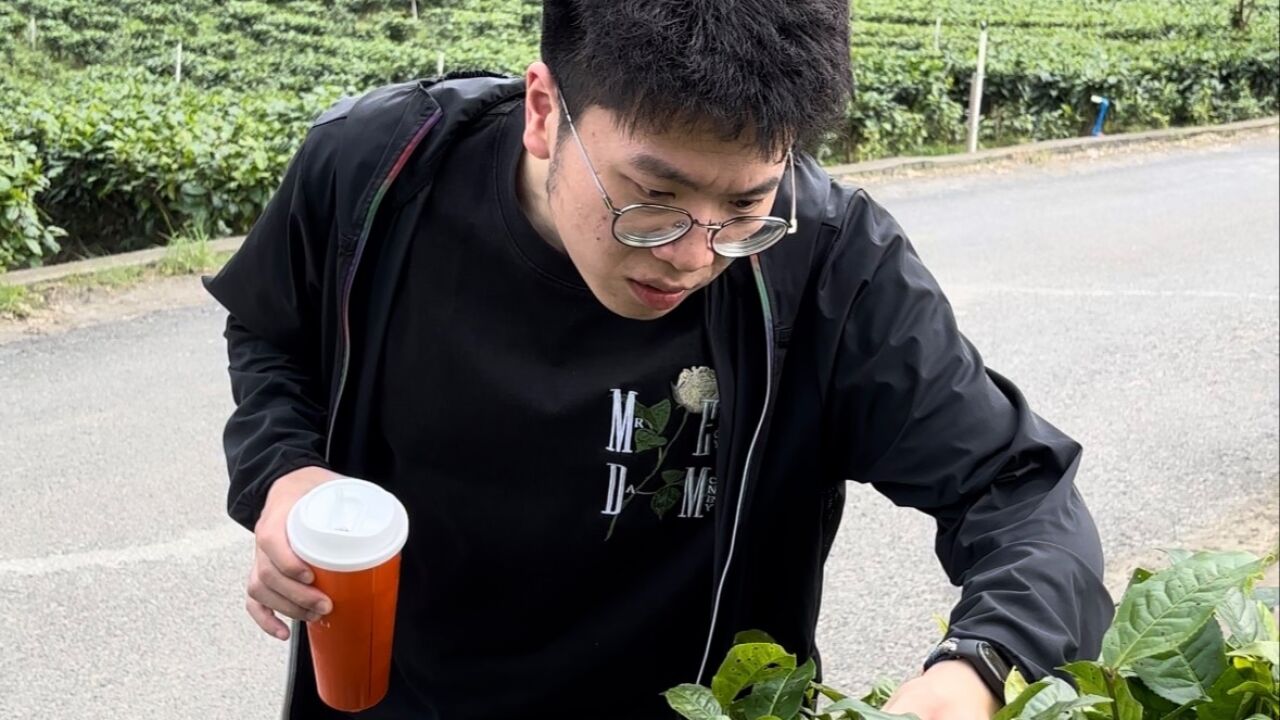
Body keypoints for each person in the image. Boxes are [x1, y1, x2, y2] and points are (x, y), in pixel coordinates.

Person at [203, 1, 1113, 718]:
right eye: (653, 198)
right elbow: (272, 334)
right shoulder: (376, 171)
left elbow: (1022, 495)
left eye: (748, 205)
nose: (694, 253)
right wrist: (284, 472)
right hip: (397, 699)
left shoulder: (831, 263)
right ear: (544, 110)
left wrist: (981, 666)